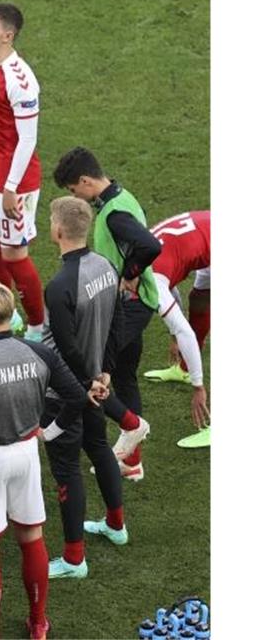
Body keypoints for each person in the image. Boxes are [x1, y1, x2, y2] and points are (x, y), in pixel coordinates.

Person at [0, 281, 87, 640]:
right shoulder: (39, 353)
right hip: (27, 453)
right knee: (31, 536)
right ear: (12, 314)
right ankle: (38, 624)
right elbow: (76, 397)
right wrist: (50, 432)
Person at [53, 147, 159, 479]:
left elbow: (151, 245)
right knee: (124, 376)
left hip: (131, 305)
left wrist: (129, 273)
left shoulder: (114, 214)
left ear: (85, 181)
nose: (76, 198)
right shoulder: (123, 196)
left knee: (93, 370)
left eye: (73, 191)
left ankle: (119, 434)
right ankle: (131, 462)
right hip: (140, 302)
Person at [40, 196, 129, 579]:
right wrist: (106, 371)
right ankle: (116, 525)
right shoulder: (107, 266)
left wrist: (89, 382)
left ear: (58, 231)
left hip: (66, 393)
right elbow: (117, 322)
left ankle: (74, 559)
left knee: (66, 469)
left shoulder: (60, 285)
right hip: (95, 380)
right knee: (97, 446)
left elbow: (65, 345)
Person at [0, 3, 46, 342]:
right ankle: (6, 315)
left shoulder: (20, 80)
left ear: (8, 34)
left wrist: (11, 187)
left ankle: (36, 325)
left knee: (14, 254)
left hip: (16, 183)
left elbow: (28, 139)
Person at [142, 210, 212, 432]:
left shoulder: (151, 280)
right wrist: (173, 336)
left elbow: (185, 332)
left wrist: (198, 387)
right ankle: (184, 369)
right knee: (199, 298)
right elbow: (172, 287)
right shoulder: (138, 257)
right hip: (207, 232)